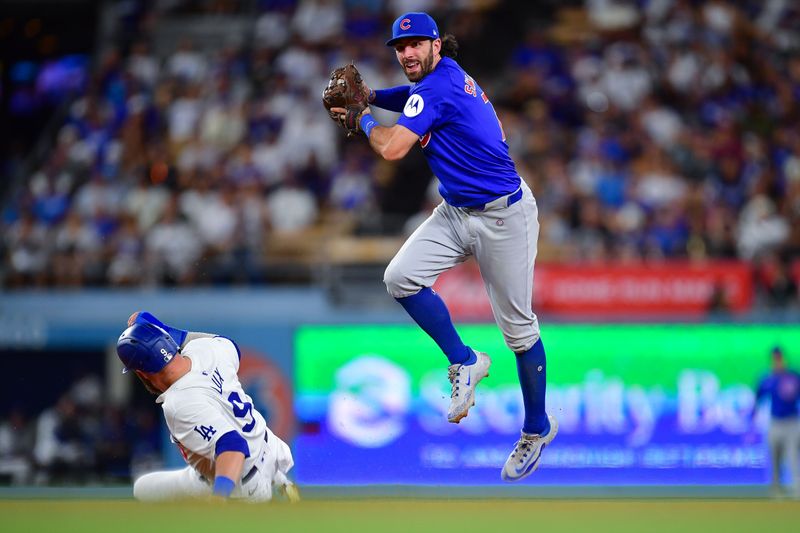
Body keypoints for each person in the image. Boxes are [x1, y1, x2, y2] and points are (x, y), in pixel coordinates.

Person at [331, 12, 556, 482]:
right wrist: (371, 96)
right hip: (456, 212)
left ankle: (537, 428)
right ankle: (464, 360)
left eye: (416, 43)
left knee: (518, 332)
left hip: (504, 216)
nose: (407, 53)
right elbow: (410, 99)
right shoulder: (438, 81)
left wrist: (362, 116)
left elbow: (392, 149)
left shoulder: (440, 87)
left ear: (437, 44)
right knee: (400, 278)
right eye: (400, 46)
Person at [116, 311, 299, 502]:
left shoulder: (179, 404)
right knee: (143, 488)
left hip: (238, 480)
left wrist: (219, 500)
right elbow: (230, 346)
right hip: (266, 447)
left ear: (142, 373)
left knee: (144, 492)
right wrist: (159, 329)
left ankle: (260, 494)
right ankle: (278, 483)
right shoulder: (206, 348)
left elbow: (233, 446)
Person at [753, 346, 800, 497]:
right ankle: (776, 489)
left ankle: (797, 488)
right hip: (775, 422)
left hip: (792, 421)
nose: (777, 361)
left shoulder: (793, 377)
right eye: (775, 358)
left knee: (792, 456)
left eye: (779, 358)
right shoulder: (768, 378)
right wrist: (753, 415)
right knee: (775, 457)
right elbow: (758, 397)